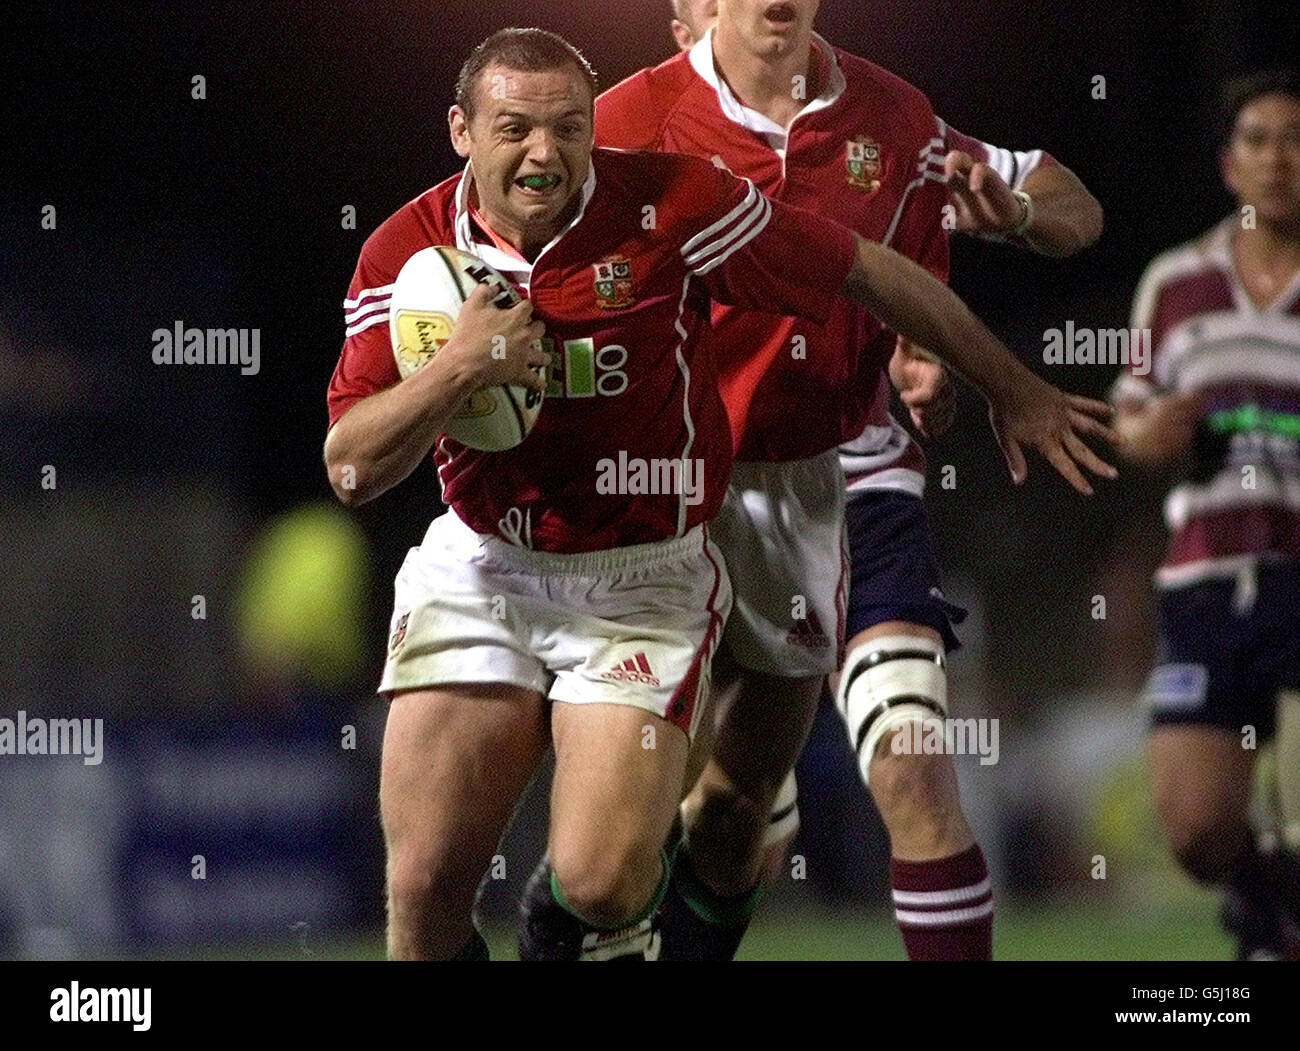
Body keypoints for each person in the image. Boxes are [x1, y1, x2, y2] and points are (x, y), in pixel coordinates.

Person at [325, 25, 1112, 962]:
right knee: (420, 891)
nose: (546, 153)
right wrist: (455, 370)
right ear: (461, 130)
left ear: (591, 130)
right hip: (485, 565)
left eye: (566, 129)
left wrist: (1008, 384)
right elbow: (352, 466)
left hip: (653, 570)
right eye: (514, 130)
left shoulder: (671, 200)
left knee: (613, 875)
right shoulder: (407, 255)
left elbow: (868, 268)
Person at [1113, 68, 1300, 961]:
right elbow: (1128, 422)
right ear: (1231, 164)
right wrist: (1154, 431)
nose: (1278, 159)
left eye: (1294, 141)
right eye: (1259, 141)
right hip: (1204, 582)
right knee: (1194, 829)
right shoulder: (1176, 283)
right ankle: (1267, 909)